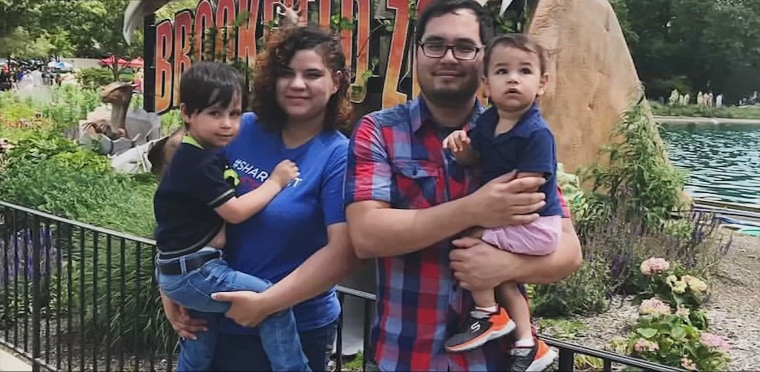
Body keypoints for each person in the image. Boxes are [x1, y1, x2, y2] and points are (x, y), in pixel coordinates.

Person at [343, 0, 582, 371]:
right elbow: (367, 235)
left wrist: (504, 264)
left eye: (465, 47)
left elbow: (568, 251)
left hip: (493, 361)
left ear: (484, 60)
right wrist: (474, 209)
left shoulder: (520, 133)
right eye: (435, 45)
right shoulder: (379, 131)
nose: (449, 57)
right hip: (406, 355)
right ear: (416, 53)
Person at [158, 21, 358, 372]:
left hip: (295, 325)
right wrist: (171, 285)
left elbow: (340, 254)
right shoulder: (237, 128)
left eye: (312, 74)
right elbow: (180, 202)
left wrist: (266, 304)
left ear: (337, 81)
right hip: (215, 315)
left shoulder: (338, 156)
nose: (297, 84)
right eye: (286, 73)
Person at [153, 61, 310, 372]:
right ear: (187, 113)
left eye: (234, 114)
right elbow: (235, 212)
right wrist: (275, 182)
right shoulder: (198, 162)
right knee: (270, 300)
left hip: (180, 268)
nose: (227, 124)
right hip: (195, 270)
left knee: (199, 339)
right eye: (215, 113)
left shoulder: (199, 152)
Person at [440, 34, 563, 370]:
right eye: (502, 71)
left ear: (542, 84)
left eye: (525, 71)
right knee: (502, 276)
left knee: (467, 241)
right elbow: (472, 156)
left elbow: (532, 182)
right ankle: (528, 341)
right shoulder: (488, 122)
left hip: (536, 224)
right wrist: (461, 147)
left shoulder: (536, 132)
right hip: (515, 221)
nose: (513, 78)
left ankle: (487, 313)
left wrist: (485, 204)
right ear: (485, 84)